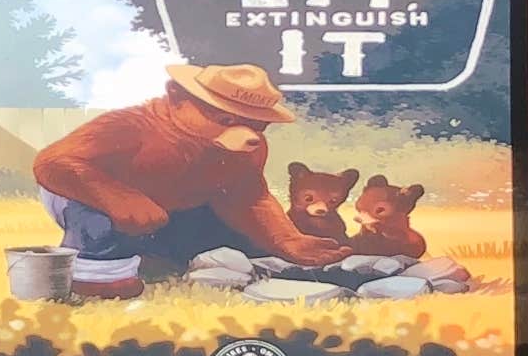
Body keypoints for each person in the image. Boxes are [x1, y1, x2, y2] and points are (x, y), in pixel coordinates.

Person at [30, 65, 340, 295]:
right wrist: (118, 197)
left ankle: (163, 258)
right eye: (226, 120)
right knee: (102, 220)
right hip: (89, 194)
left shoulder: (246, 149)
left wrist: (287, 240)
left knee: (235, 243)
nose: (249, 136)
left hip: (176, 206)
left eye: (258, 125)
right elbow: (53, 163)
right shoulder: (128, 126)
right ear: (177, 98)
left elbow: (248, 198)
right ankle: (96, 276)